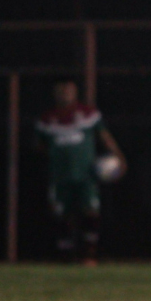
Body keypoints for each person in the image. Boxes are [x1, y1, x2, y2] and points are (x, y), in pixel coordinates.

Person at [35, 79, 127, 266]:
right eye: (61, 91)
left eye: (68, 91)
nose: (65, 94)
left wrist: (118, 156)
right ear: (55, 94)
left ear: (75, 93)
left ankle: (89, 255)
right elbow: (39, 145)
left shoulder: (88, 114)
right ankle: (65, 256)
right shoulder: (47, 119)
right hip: (60, 176)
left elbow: (104, 136)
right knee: (61, 214)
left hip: (86, 175)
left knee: (90, 211)